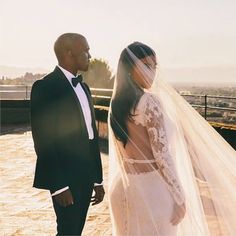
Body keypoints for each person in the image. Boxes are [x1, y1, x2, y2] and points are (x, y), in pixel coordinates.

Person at [108, 42, 236, 235]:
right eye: (145, 65)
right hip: (152, 191)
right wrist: (179, 196)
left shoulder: (116, 103)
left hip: (123, 188)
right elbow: (162, 155)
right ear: (130, 68)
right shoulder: (150, 102)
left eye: (154, 66)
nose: (151, 72)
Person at [30, 33, 105, 235]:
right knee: (67, 231)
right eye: (86, 50)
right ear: (69, 53)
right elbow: (43, 140)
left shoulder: (85, 88)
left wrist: (98, 179)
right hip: (65, 176)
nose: (90, 55)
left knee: (75, 230)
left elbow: (92, 137)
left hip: (87, 175)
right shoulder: (45, 88)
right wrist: (58, 186)